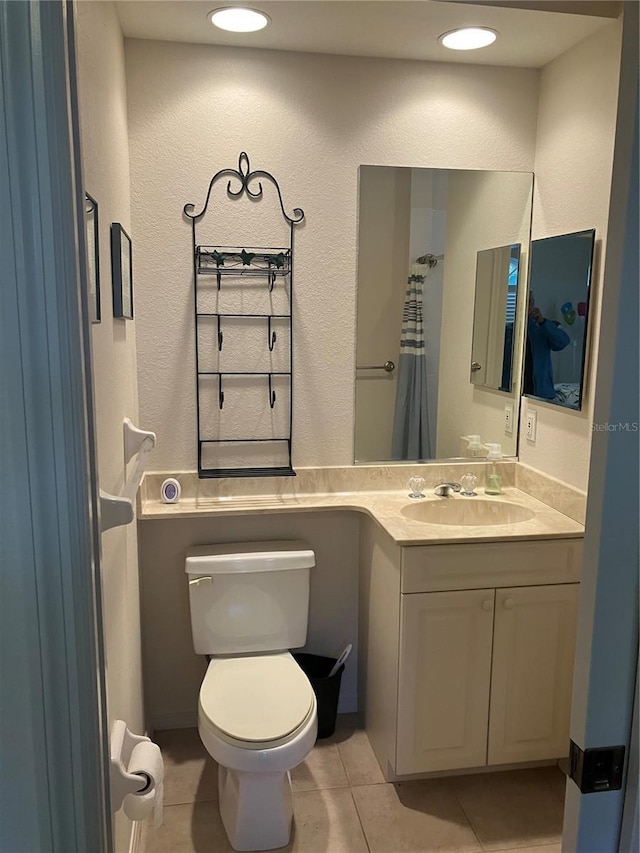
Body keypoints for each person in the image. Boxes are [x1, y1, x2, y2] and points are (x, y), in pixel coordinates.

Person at [523, 292, 570, 399]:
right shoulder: (510, 330)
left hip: (542, 392)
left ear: (532, 303)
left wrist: (542, 322)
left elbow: (563, 341)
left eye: (528, 302)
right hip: (515, 391)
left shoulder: (544, 327)